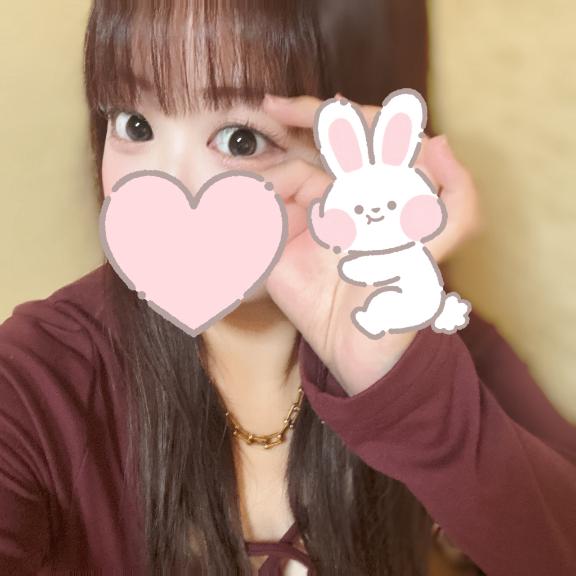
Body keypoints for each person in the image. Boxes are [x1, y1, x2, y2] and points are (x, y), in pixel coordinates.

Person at [1, 1, 575, 575]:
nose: (163, 185)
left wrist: (404, 396)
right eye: (134, 124)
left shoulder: (439, 359)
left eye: (242, 140)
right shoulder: (38, 381)